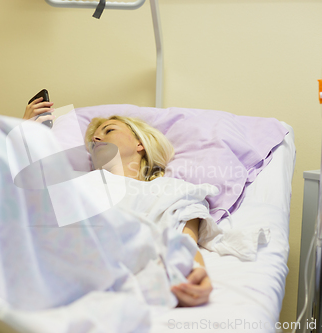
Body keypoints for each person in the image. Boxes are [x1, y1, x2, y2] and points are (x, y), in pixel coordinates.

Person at [23, 97, 213, 307]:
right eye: (93, 138)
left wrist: (197, 274)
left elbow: (185, 243)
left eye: (109, 130)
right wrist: (25, 132)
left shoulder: (172, 190)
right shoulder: (74, 181)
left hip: (118, 265)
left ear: (140, 143)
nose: (96, 138)